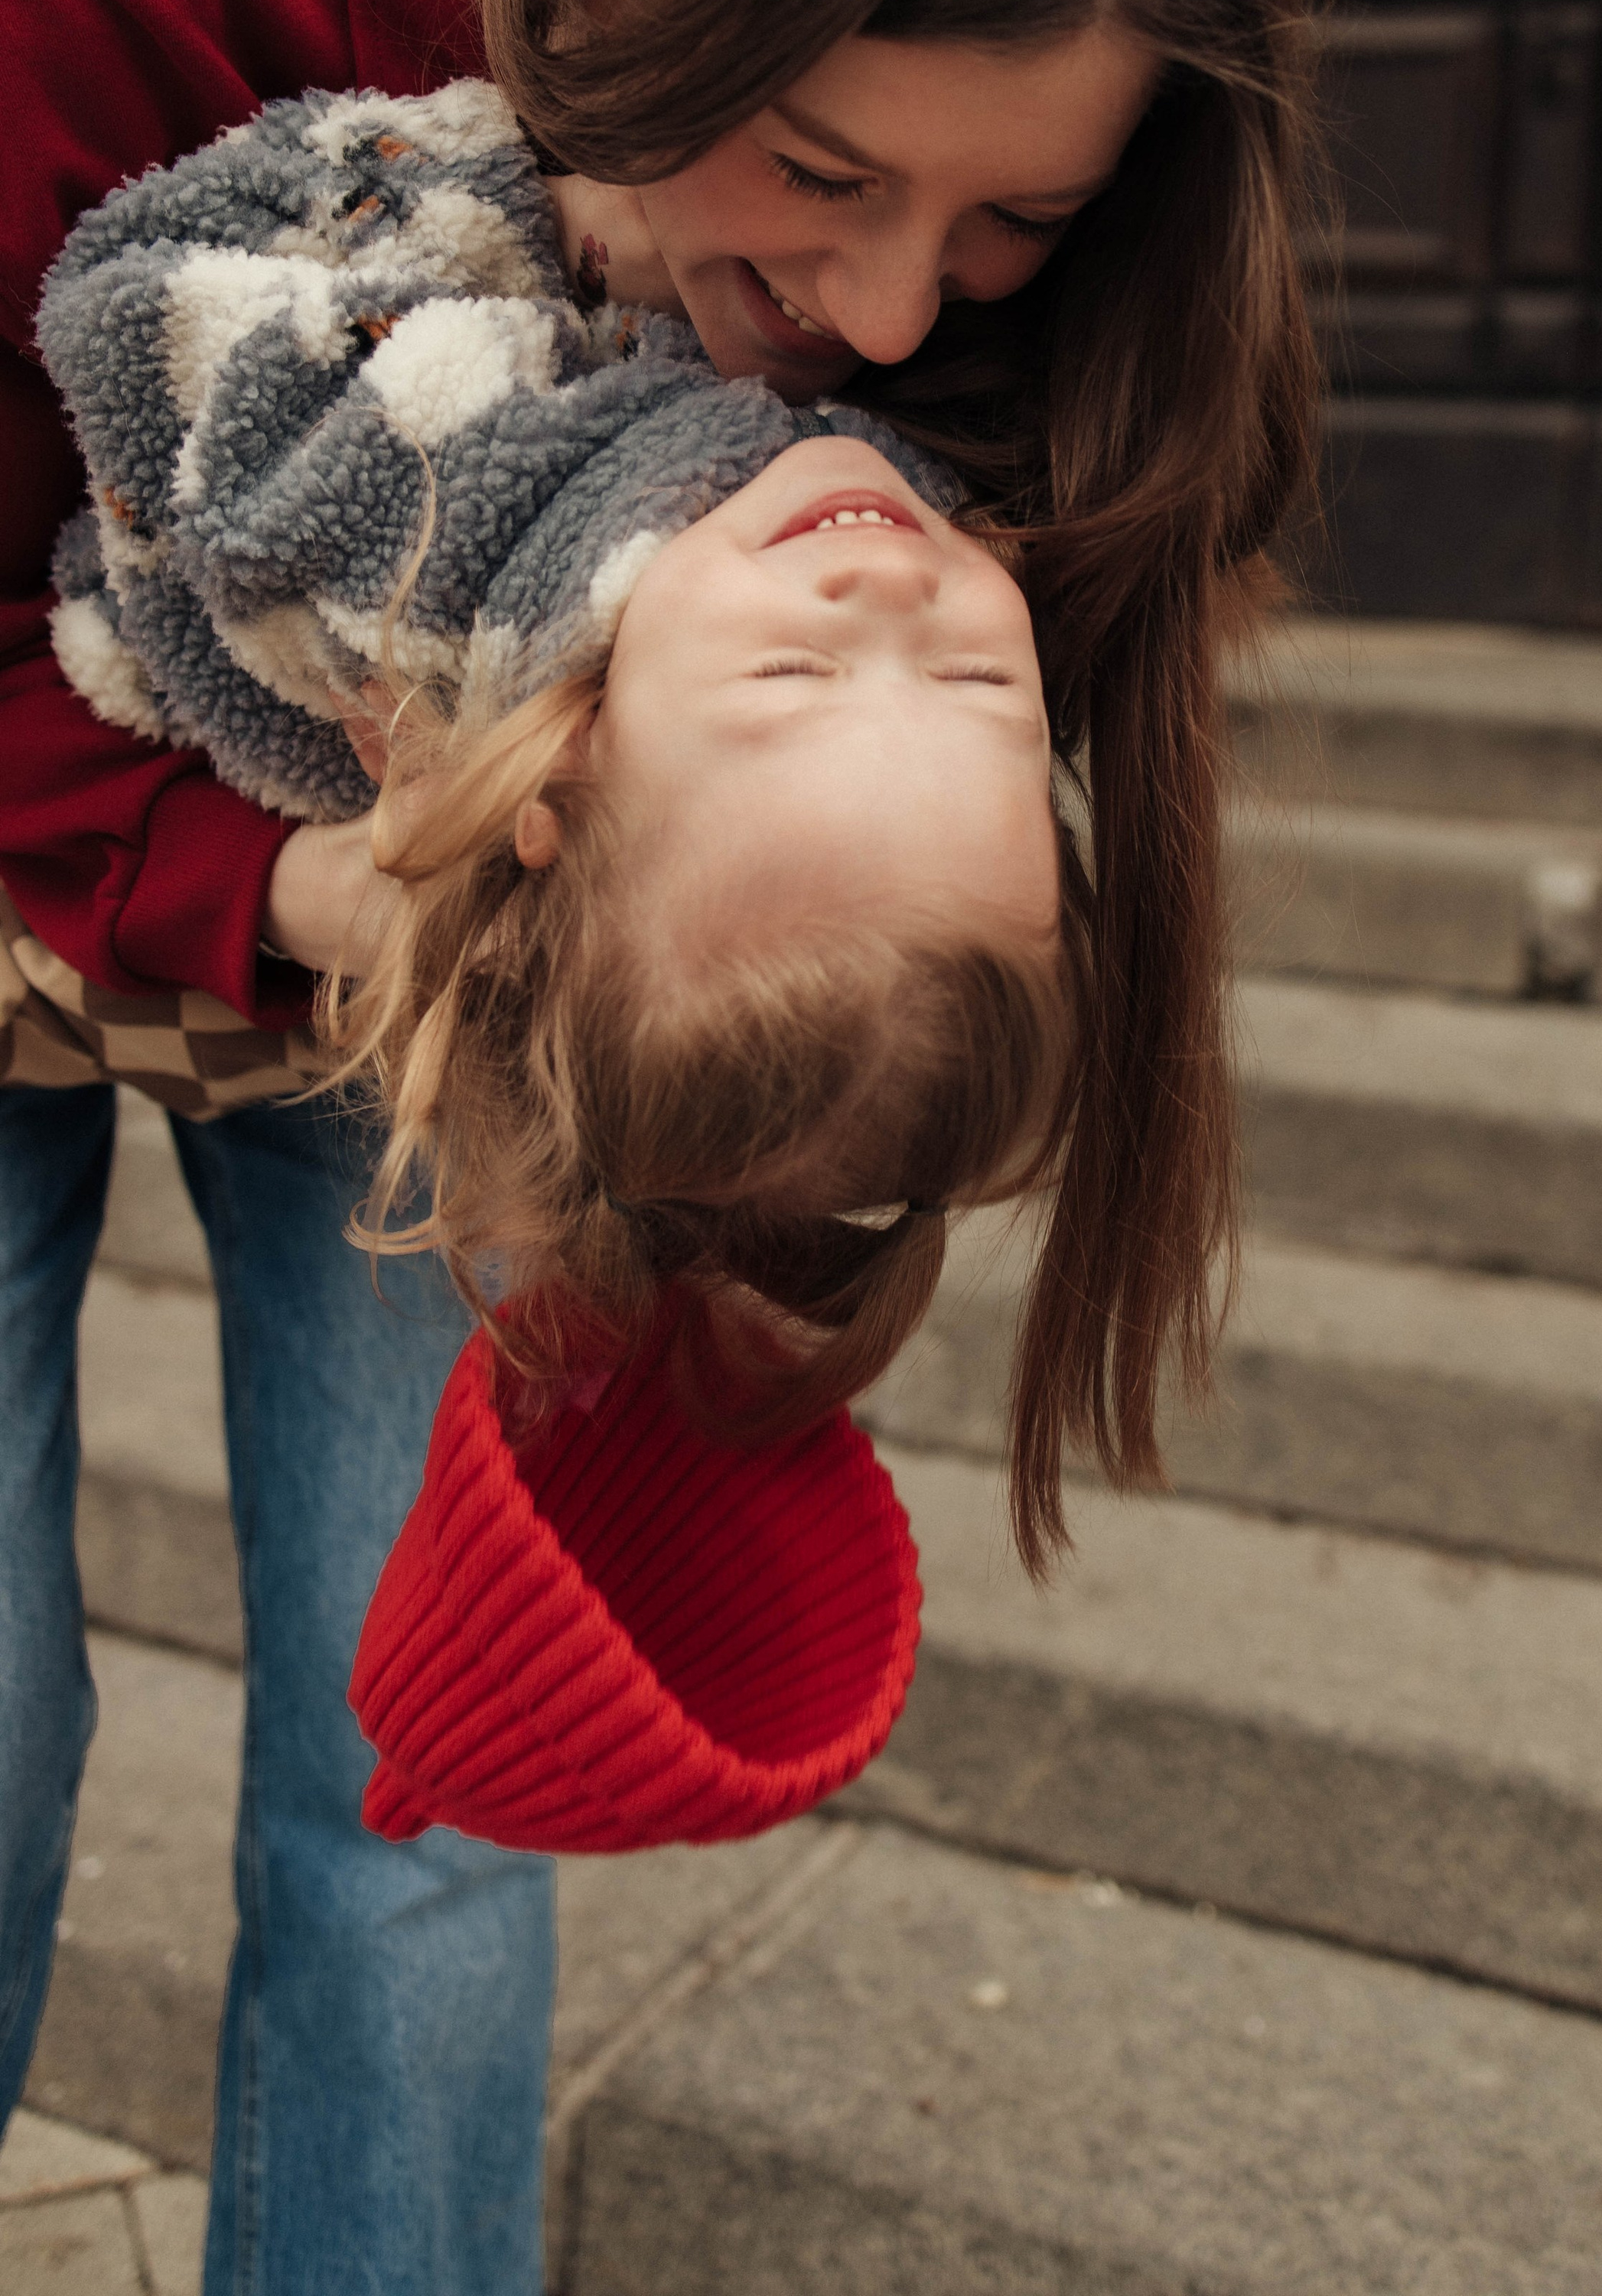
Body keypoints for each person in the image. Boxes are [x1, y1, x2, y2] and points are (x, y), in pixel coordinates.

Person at [0, 0, 1320, 2296]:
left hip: (465, 973)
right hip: (121, 847)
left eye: (1008, 227)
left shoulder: (986, 323)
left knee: (429, 1807)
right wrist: (301, 894)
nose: (874, 324)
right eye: (820, 170)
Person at [37, 75, 1070, 1415]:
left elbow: (124, 307)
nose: (891, 595)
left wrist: (532, 187)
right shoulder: (848, 528)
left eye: (795, 671)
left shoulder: (425, 524)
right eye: (981, 678)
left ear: (574, 761)